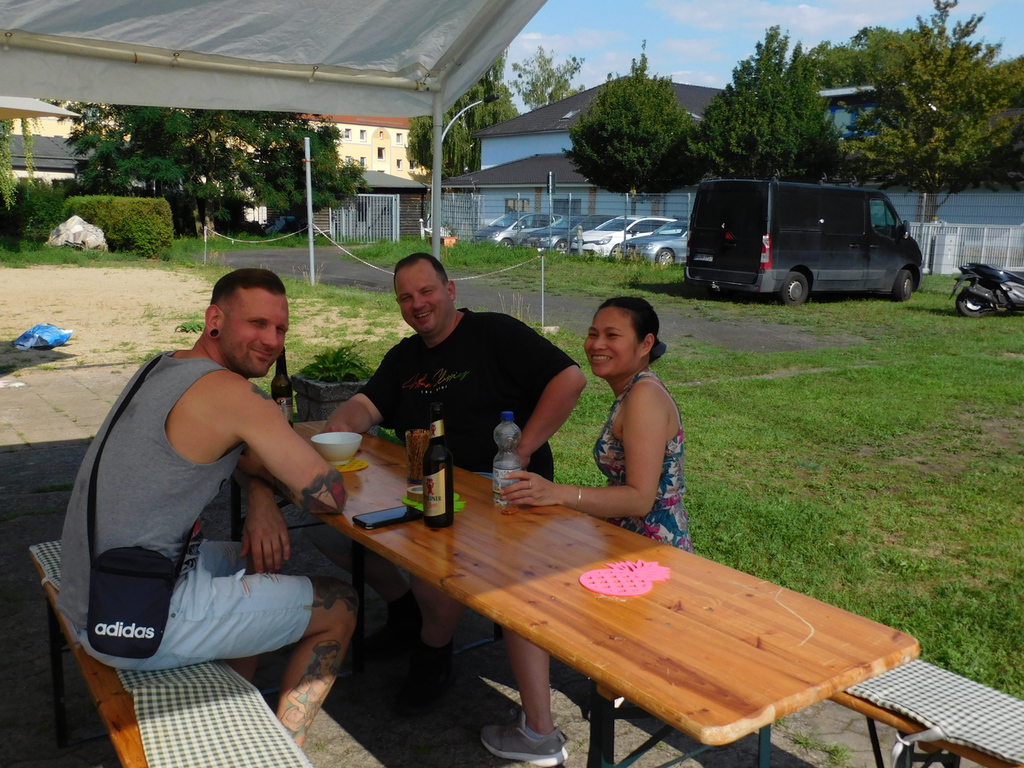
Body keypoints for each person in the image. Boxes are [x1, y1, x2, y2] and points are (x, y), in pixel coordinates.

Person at [56, 268, 357, 748]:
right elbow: (328, 495)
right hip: (132, 620)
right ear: (214, 319)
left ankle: (241, 703)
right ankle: (281, 750)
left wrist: (260, 496)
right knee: (341, 602)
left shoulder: (163, 366)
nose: (272, 340)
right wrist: (283, 453)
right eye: (257, 323)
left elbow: (238, 455)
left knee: (257, 556)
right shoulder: (235, 395)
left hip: (92, 585)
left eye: (281, 328)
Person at [317, 251, 587, 715]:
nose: (418, 304)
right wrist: (339, 429)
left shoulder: (494, 333)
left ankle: (433, 651)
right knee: (330, 531)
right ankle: (406, 612)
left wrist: (520, 452)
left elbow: (570, 379)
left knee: (436, 553)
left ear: (450, 290)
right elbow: (365, 405)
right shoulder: (404, 357)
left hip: (496, 488)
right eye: (406, 297)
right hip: (423, 484)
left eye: (426, 291)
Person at [480, 296, 691, 767]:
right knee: (526, 562)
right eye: (594, 333)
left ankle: (538, 734)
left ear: (646, 344)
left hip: (647, 559)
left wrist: (557, 494)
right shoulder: (633, 391)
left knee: (519, 593)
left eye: (612, 335)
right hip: (628, 543)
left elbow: (640, 498)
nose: (596, 344)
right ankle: (613, 681)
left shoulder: (644, 398)